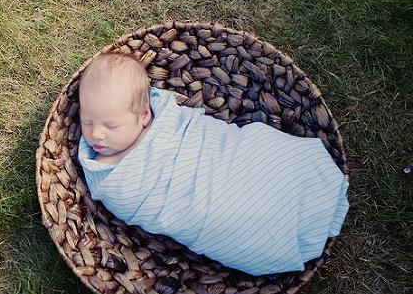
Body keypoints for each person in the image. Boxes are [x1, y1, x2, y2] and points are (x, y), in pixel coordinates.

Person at [77, 51, 350, 276]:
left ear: (144, 116)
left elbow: (201, 137)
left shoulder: (165, 120)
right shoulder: (108, 171)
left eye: (111, 126)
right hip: (201, 205)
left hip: (221, 157)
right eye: (87, 122)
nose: (97, 134)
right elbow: (128, 199)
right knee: (238, 218)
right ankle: (279, 228)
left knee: (258, 151)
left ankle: (300, 181)